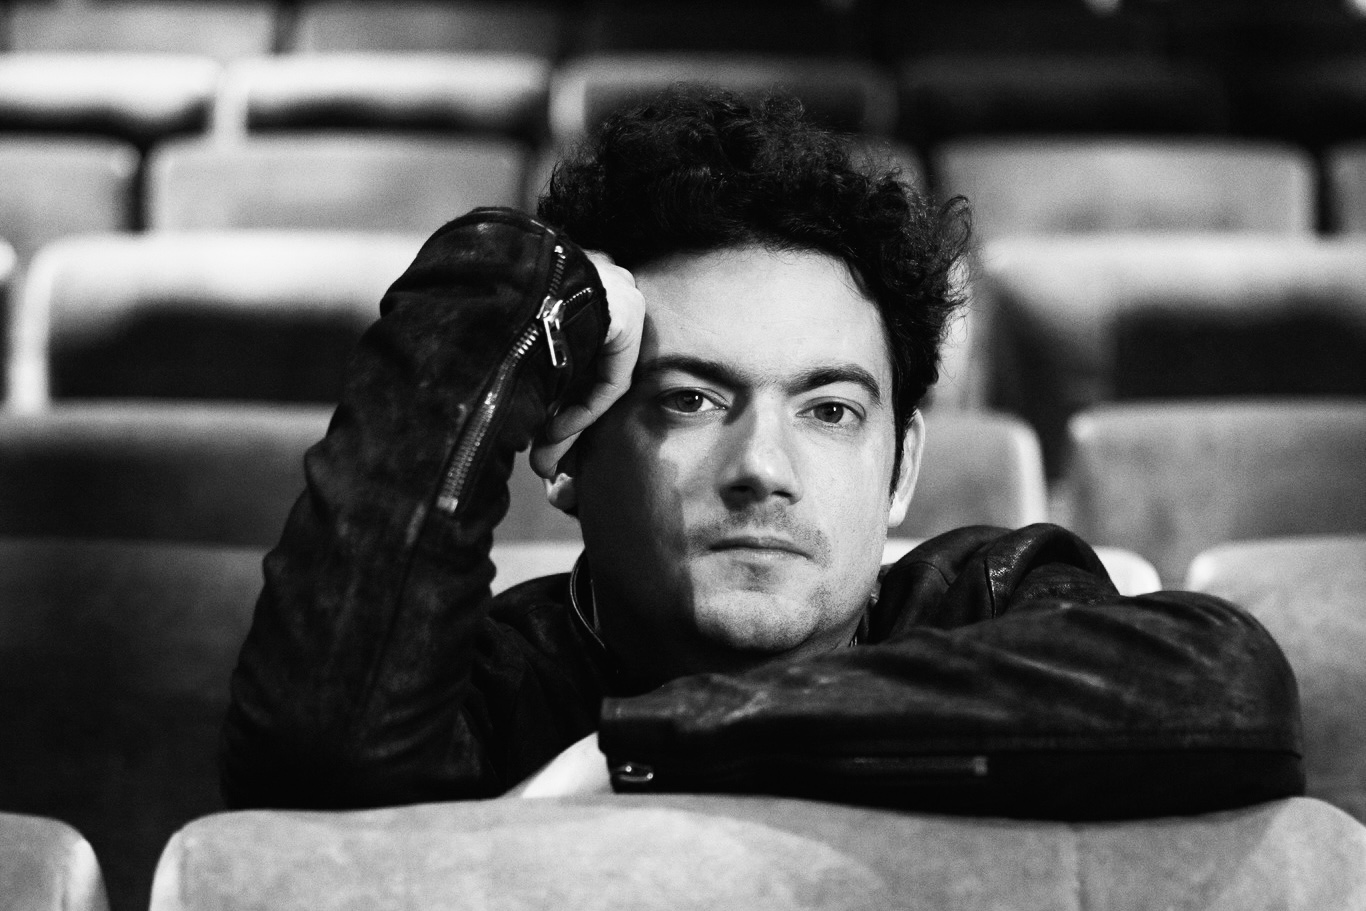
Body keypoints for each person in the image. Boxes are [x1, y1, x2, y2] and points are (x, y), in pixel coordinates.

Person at [221, 89, 1303, 818]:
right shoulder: (496, 680)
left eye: (829, 410)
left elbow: (1226, 689)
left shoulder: (987, 599)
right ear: (571, 452)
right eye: (691, 400)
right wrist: (520, 290)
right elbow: (313, 752)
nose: (762, 467)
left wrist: (654, 748)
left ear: (901, 468)